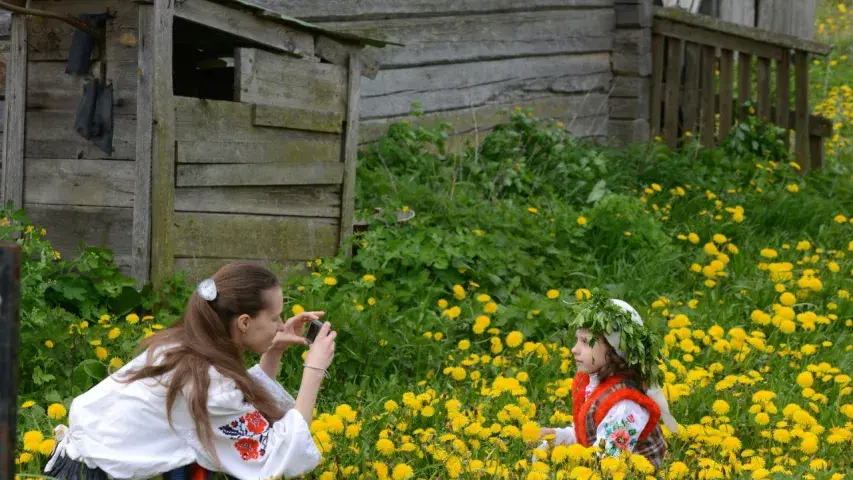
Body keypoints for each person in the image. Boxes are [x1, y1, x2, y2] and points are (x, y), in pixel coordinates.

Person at [44, 262, 336, 480]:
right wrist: (314, 370)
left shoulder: (188, 345)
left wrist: (274, 350)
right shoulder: (208, 381)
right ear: (244, 322)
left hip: (85, 465)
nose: (281, 325)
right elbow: (275, 454)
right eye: (274, 318)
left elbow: (237, 406)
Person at [537, 293, 677, 470]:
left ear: (614, 351)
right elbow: (588, 434)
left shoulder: (625, 407)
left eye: (585, 342)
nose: (574, 349)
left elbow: (607, 463)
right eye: (576, 340)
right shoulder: (595, 384)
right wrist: (557, 437)